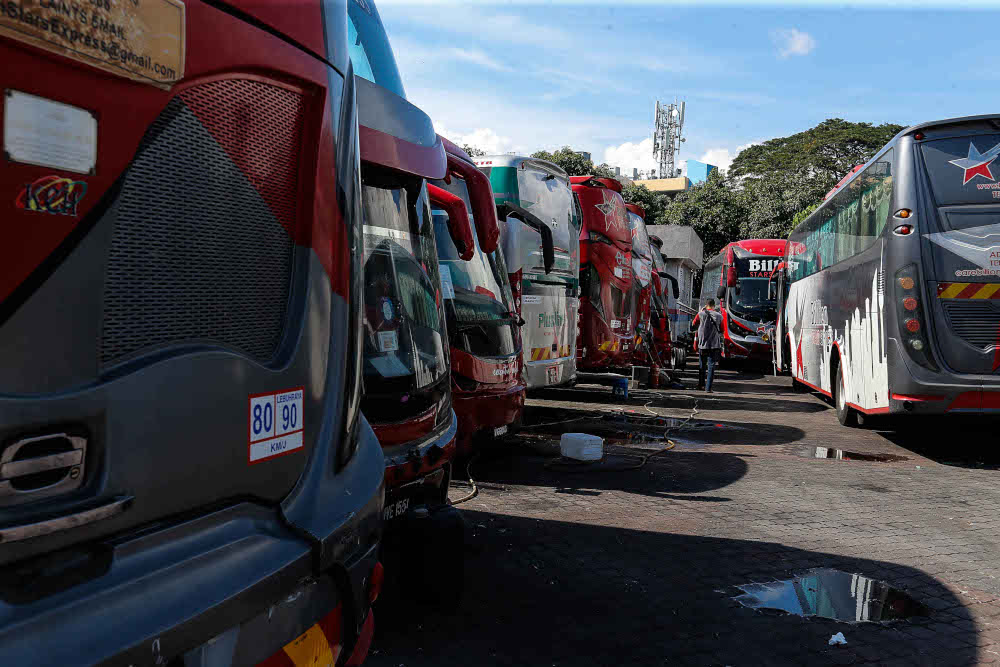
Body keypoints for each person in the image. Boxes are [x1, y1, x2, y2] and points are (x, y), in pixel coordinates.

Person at [691, 298, 723, 392]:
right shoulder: (719, 316)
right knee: (711, 366)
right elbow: (722, 329)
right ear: (713, 305)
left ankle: (701, 385)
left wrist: (701, 312)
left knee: (702, 365)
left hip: (702, 345)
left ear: (706, 305)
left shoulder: (700, 314)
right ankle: (708, 388)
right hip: (714, 345)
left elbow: (693, 324)